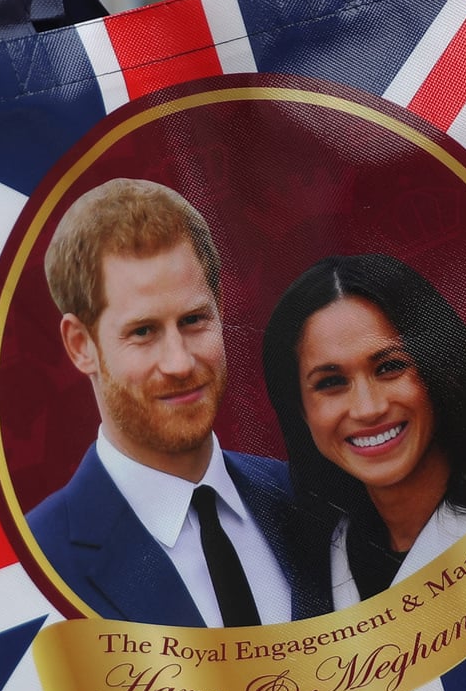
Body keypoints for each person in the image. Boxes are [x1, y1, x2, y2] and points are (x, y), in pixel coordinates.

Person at [26, 179, 329, 626]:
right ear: (80, 345)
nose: (180, 362)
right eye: (143, 331)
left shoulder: (310, 503)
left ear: (220, 309)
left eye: (193, 320)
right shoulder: (35, 562)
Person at [261, 254, 466, 607]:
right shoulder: (319, 562)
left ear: (438, 371)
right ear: (299, 409)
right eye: (331, 382)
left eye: (390, 368)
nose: (368, 408)